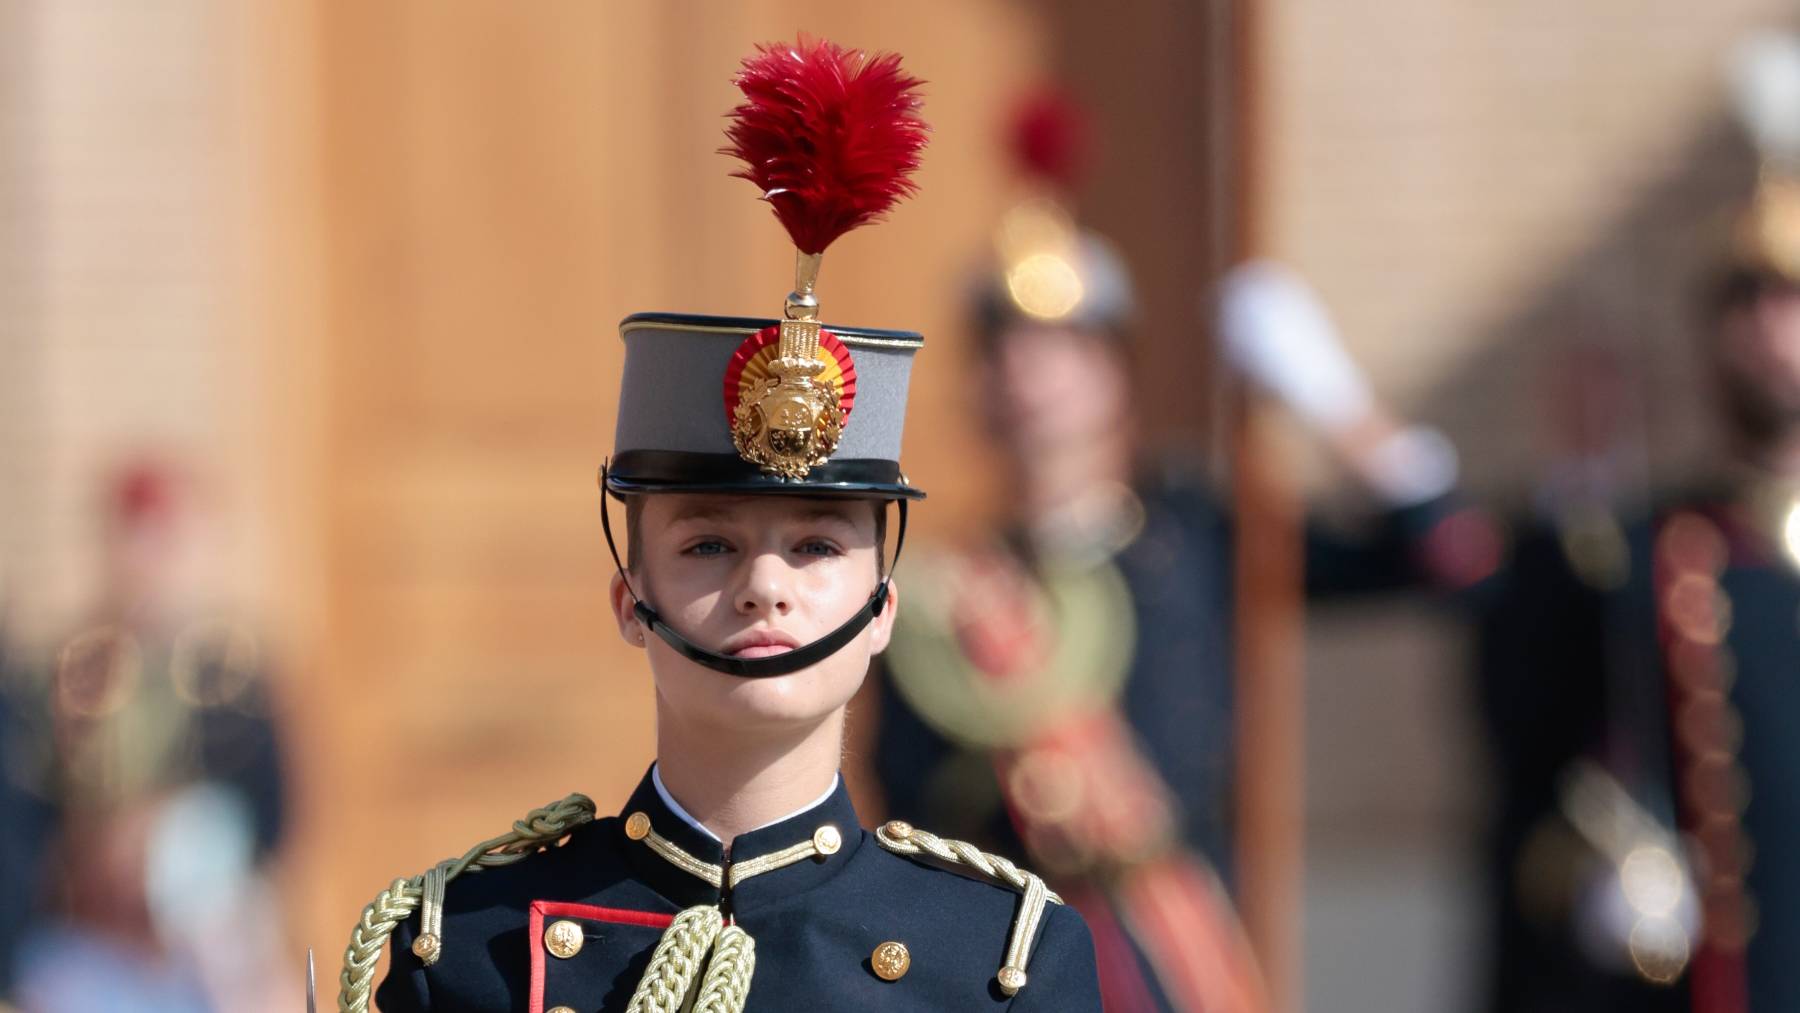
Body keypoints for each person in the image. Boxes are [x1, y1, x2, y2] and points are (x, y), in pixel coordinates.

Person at [344, 38, 1101, 1013]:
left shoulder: (1002, 962)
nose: (765, 584)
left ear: (882, 608)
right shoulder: (460, 947)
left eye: (818, 545)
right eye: (709, 543)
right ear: (631, 595)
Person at [872, 91, 1498, 1013]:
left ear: (1116, 374)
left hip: (1183, 951)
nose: (1034, 379)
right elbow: (910, 813)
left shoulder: (1199, 532)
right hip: (1006, 967)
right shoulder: (936, 595)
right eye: (1008, 353)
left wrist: (1332, 402)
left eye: (1063, 349)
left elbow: (1449, 559)